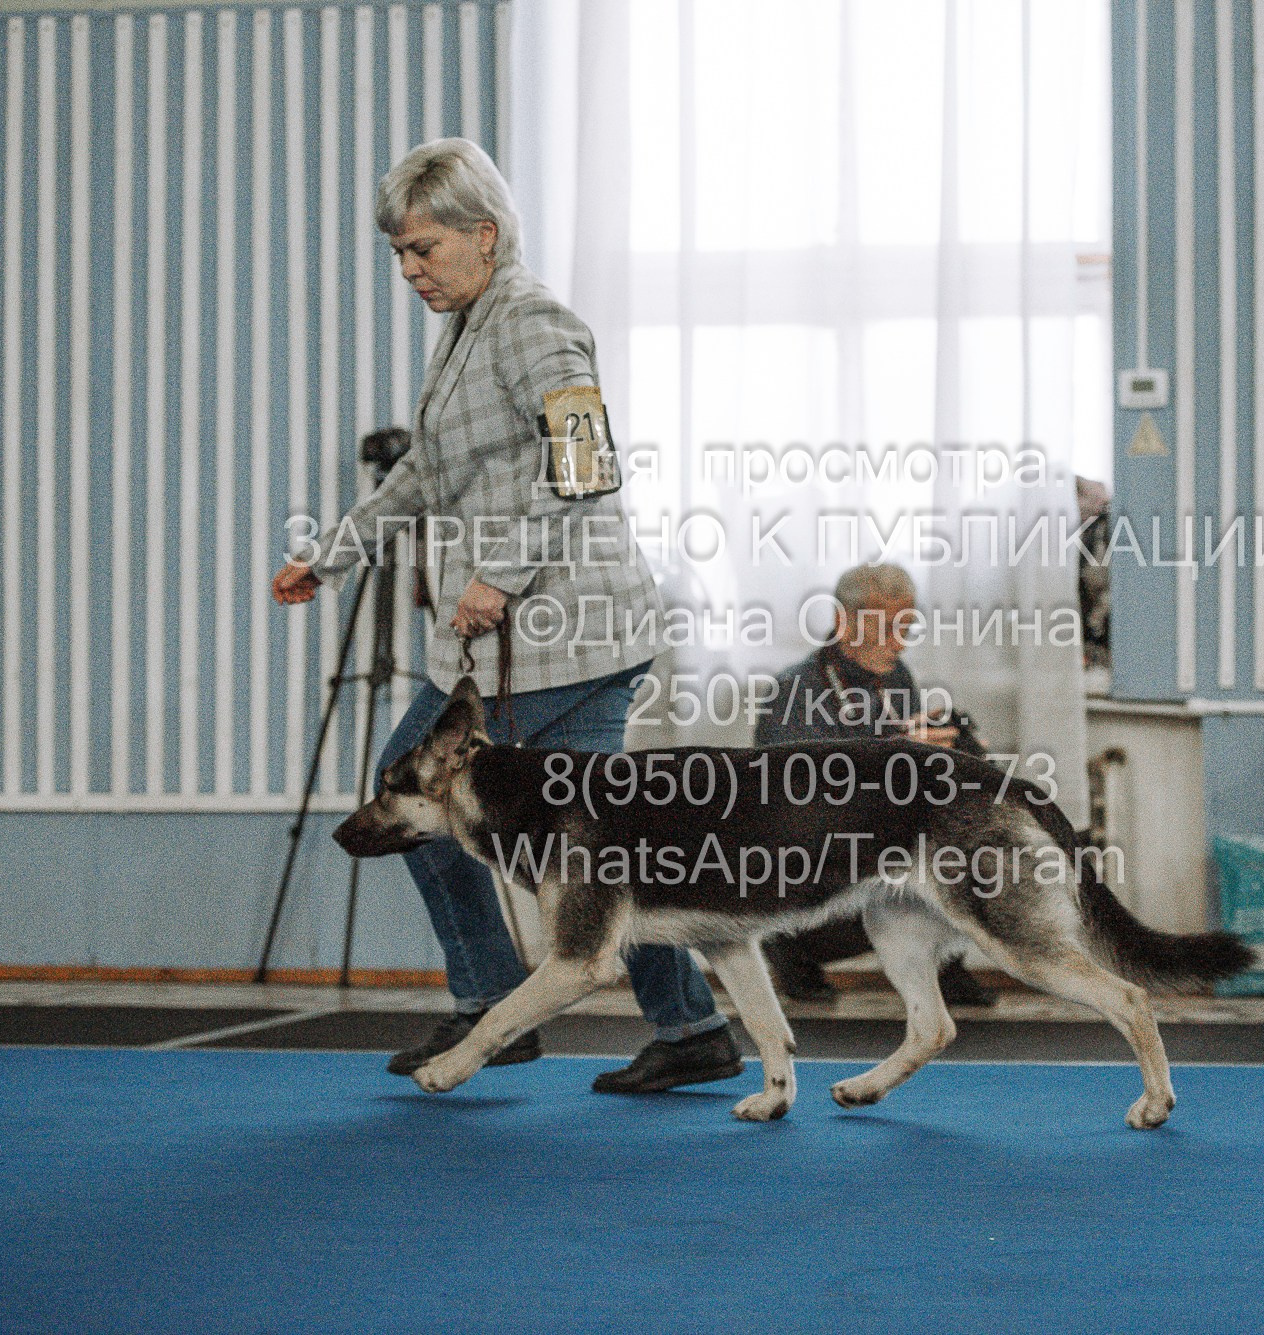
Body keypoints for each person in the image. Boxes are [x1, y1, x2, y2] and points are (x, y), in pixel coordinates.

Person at [271, 139, 741, 1094]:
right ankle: (684, 1026)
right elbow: (426, 474)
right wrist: (333, 554)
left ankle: (504, 1005)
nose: (408, 270)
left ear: (483, 237)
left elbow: (584, 462)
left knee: (417, 799)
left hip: (564, 634)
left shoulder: (530, 322)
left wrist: (502, 571)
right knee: (600, 843)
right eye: (400, 254)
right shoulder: (468, 326)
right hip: (535, 639)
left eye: (422, 249)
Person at [753, 563, 997, 1008]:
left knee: (970, 844)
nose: (898, 642)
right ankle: (792, 946)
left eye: (906, 627)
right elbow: (797, 796)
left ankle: (947, 964)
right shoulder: (794, 690)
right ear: (844, 622)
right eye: (885, 629)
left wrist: (956, 752)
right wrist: (898, 748)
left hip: (879, 839)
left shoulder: (896, 675)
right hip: (810, 859)